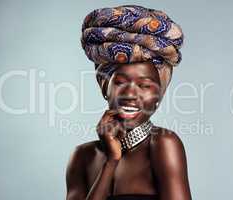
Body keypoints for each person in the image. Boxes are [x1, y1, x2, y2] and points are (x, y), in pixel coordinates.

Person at [66, 5, 192, 200]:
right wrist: (111, 161)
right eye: (121, 82)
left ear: (159, 93)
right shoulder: (82, 156)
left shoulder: (163, 145)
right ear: (103, 85)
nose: (131, 94)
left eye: (145, 85)